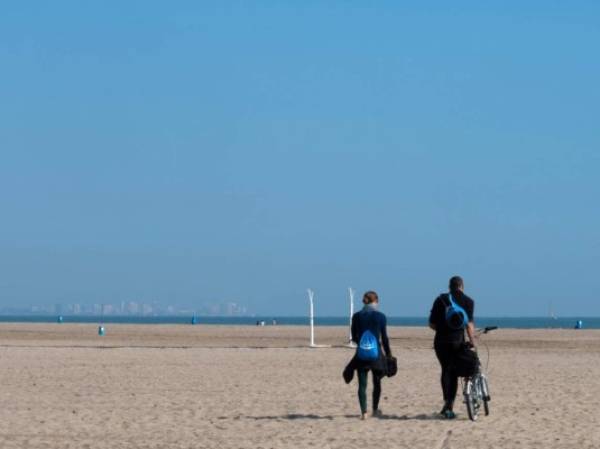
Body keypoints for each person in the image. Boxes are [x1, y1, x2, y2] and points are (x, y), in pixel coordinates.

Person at [429, 276, 475, 419]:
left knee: (445, 370)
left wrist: (443, 329)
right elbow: (469, 325)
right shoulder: (468, 301)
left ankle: (447, 404)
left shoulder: (440, 299)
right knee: (454, 371)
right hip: (457, 341)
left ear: (449, 286)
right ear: (461, 286)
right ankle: (450, 406)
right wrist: (472, 341)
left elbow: (431, 324)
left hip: (441, 341)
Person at [350, 291, 392, 420]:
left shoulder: (356, 316)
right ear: (376, 301)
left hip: (361, 353)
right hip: (376, 354)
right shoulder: (381, 317)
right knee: (377, 382)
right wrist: (389, 354)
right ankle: (375, 409)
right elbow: (384, 338)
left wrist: (362, 345)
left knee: (362, 384)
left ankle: (364, 412)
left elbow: (354, 336)